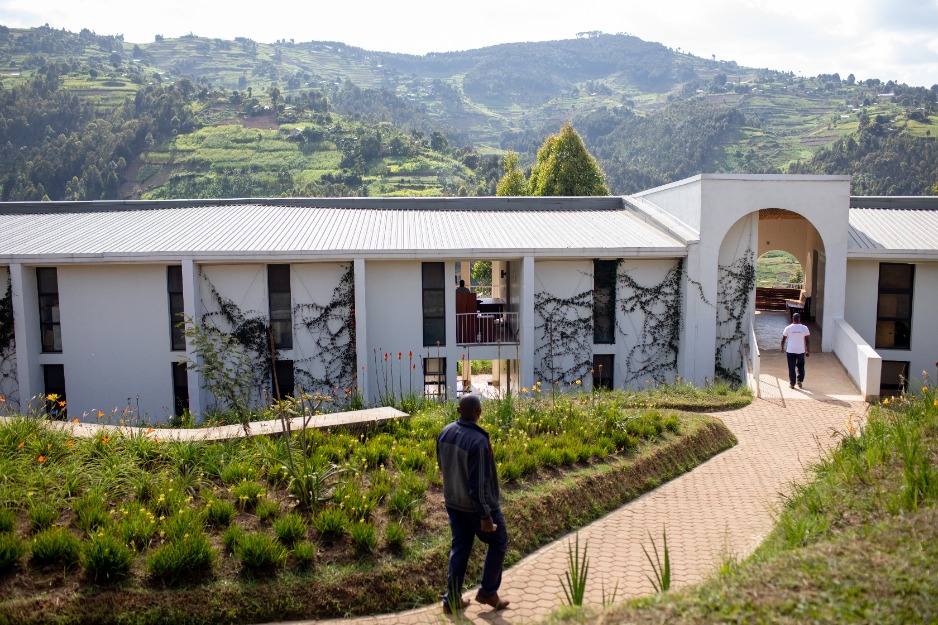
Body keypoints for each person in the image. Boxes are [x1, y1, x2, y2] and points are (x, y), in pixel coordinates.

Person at [436, 394, 510, 614]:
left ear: (458, 411)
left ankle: (452, 599)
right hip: (476, 507)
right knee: (499, 542)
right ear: (479, 413)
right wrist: (486, 516)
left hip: (453, 501)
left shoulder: (445, 432)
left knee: (460, 547)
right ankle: (487, 591)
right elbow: (479, 484)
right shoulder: (478, 441)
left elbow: (442, 466)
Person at [782, 312, 810, 389]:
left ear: (792, 319)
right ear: (800, 319)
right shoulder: (804, 328)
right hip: (801, 351)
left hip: (790, 351)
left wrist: (782, 348)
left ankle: (792, 384)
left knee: (791, 367)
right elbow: (807, 341)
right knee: (801, 366)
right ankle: (800, 380)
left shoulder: (788, 328)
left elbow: (783, 340)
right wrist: (807, 351)